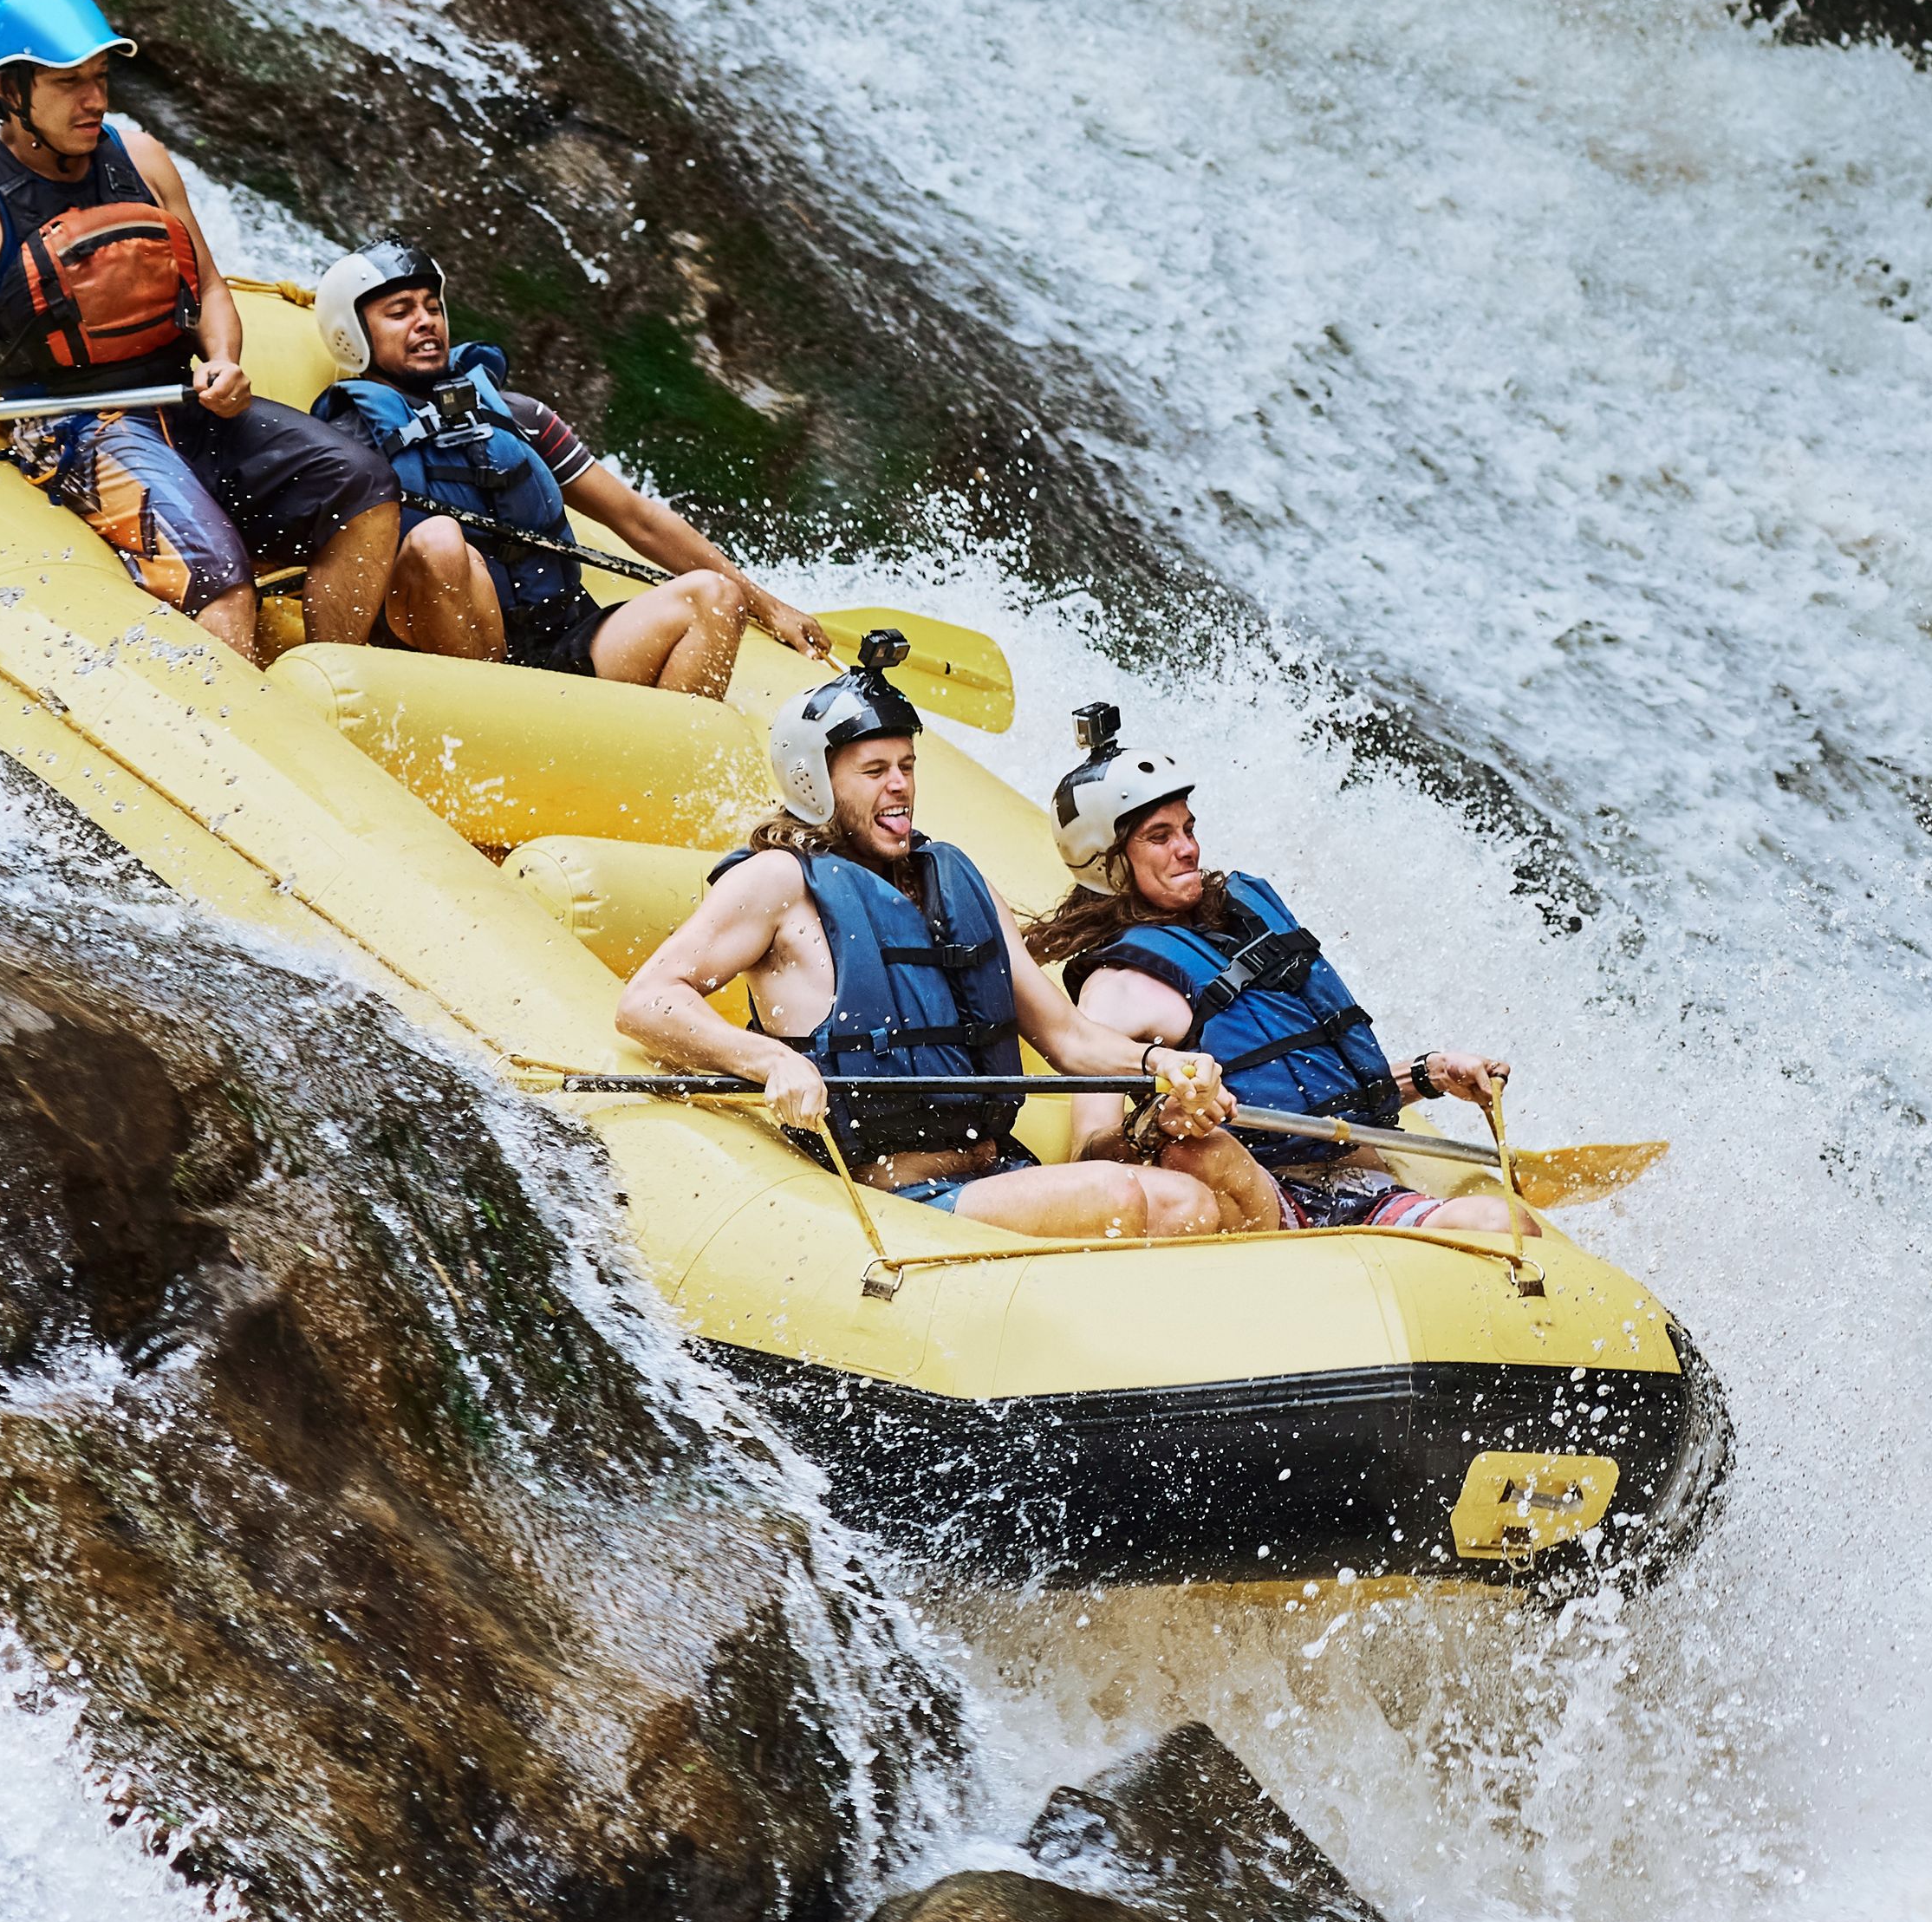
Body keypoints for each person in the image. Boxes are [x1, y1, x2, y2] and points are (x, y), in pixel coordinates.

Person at [617, 645, 1287, 1239]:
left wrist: (1158, 1065)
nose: (900, 784)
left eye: (906, 765)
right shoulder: (776, 881)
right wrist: (769, 1061)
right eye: (873, 769)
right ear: (814, 783)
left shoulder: (953, 877)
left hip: (997, 1169)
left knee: (1203, 1189)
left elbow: (1069, 1039)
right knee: (1135, 1197)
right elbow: (647, 1001)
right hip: (898, 1193)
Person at [0, 0, 402, 658]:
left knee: (364, 481)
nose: (94, 100)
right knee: (219, 578)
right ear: (10, 89)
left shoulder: (140, 158)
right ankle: (222, 739)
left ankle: (331, 685)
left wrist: (224, 359)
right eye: (68, 83)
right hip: (74, 426)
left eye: (100, 78)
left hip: (182, 397)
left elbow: (207, 286)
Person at [1028, 710, 1531, 1239]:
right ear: (1107, 860)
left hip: (1365, 1184)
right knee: (1198, 1150)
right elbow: (1087, 1155)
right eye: (1160, 836)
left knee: (1503, 1222)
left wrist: (1430, 1074)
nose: (1188, 848)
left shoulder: (1246, 924)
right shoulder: (1114, 990)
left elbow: (1317, 1093)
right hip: (1260, 1197)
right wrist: (1156, 1124)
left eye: (1188, 827)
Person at [300, 240, 829, 696]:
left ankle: (662, 782)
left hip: (560, 634)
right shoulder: (345, 445)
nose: (426, 322)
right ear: (353, 333)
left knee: (716, 596)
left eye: (432, 306)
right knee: (437, 540)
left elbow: (636, 518)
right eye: (400, 312)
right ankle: (495, 729)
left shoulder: (516, 415)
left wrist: (770, 606)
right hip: (451, 659)